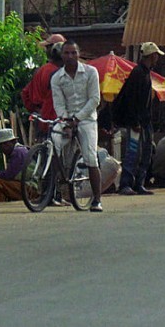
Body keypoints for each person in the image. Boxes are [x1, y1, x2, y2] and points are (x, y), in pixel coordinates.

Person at [50, 40, 104, 212]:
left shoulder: (90, 72)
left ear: (79, 54)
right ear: (62, 55)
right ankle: (55, 187)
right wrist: (65, 120)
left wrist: (78, 119)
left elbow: (94, 100)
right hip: (66, 120)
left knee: (90, 157)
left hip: (87, 119)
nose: (70, 56)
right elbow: (58, 103)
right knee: (53, 143)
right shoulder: (57, 78)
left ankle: (97, 199)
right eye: (66, 53)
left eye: (73, 53)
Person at [114, 41, 164, 195]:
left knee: (146, 153)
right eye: (156, 55)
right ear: (152, 55)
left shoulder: (146, 72)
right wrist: (134, 121)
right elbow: (131, 100)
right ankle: (126, 184)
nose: (157, 58)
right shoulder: (138, 73)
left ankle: (139, 183)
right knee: (133, 152)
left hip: (145, 121)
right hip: (136, 122)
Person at [22, 38, 65, 127]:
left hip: (41, 118)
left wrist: (35, 110)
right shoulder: (57, 74)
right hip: (54, 120)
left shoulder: (41, 70)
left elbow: (25, 93)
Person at [0, 128, 29, 202]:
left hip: (29, 188)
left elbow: (9, 175)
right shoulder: (21, 150)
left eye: (5, 144)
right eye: (1, 145)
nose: (3, 148)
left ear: (13, 142)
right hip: (26, 186)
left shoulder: (18, 152)